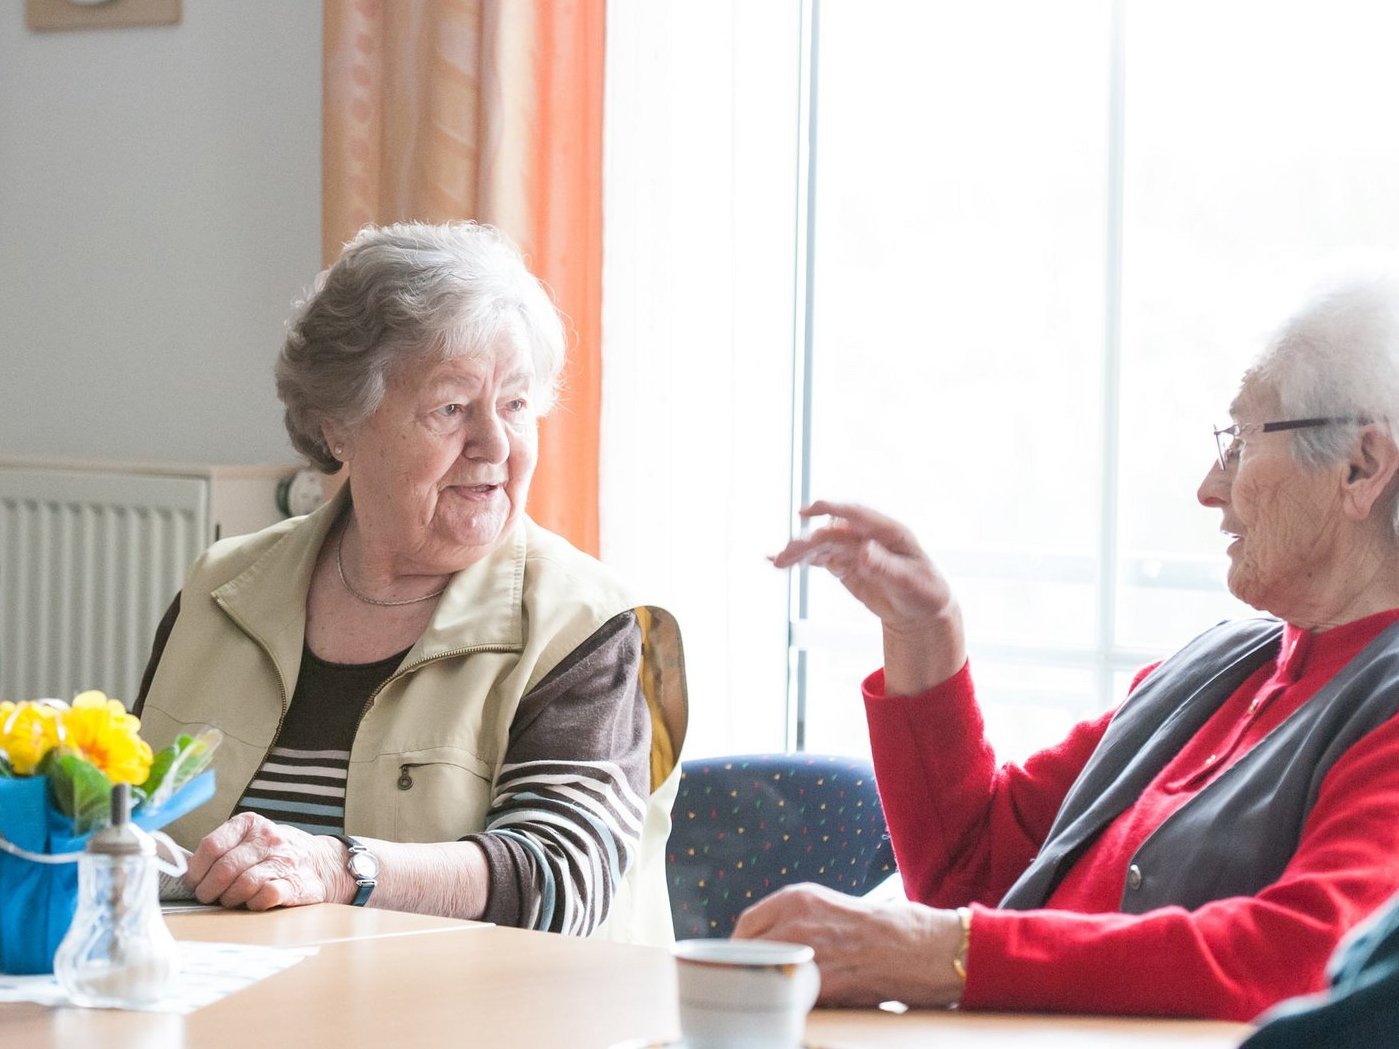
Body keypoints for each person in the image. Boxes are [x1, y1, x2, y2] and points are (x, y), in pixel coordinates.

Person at [735, 267, 1399, 1019]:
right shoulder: (1214, 669)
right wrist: (923, 633)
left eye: (1241, 441)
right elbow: (969, 875)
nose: (1208, 486)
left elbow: (1298, 957)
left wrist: (943, 953)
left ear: (1361, 467)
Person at [134, 221, 687, 945]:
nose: (494, 444)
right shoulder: (221, 590)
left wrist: (344, 867)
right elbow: (126, 829)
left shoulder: (593, 624)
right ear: (340, 427)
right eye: (452, 407)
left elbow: (561, 878)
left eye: (517, 404)